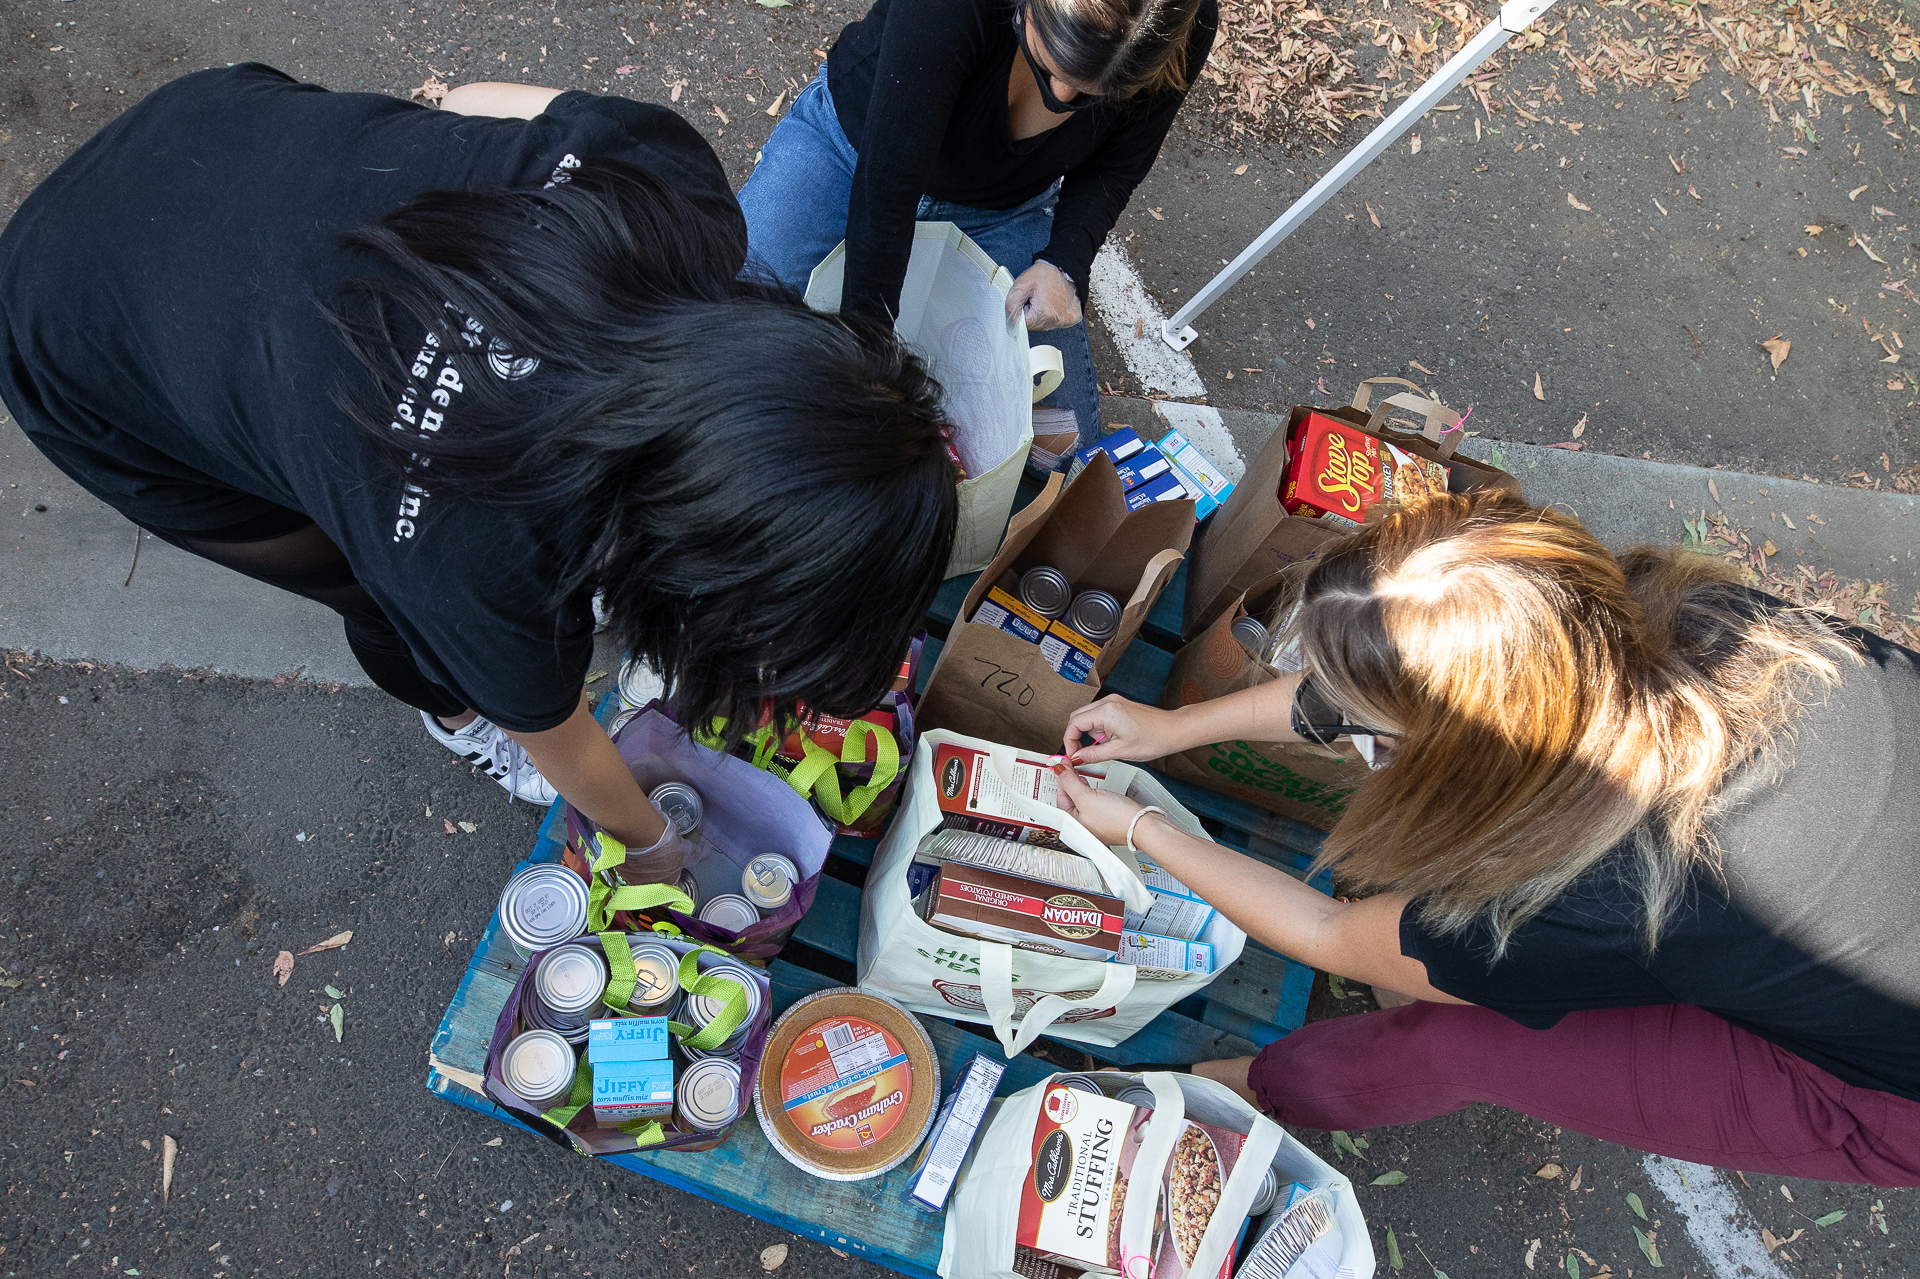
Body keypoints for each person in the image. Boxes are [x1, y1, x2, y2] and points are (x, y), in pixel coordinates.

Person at [0, 65, 958, 878]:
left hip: (207, 126)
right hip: (73, 326)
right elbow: (554, 723)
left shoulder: (674, 190)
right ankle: (458, 721)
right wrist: (653, 840)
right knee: (371, 586)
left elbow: (477, 99)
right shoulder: (478, 556)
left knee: (365, 501)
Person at [1055, 489, 1920, 1185]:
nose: (1346, 729)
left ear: (1462, 756)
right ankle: (1429, 973)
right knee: (1458, 972)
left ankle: (1268, 1089)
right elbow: (1397, 682)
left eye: (1375, 735)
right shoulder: (1642, 618)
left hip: (1880, 1085)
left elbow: (1327, 934)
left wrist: (1142, 826)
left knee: (1463, 1041)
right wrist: (1172, 729)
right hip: (1839, 903)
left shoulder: (1577, 889)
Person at [736, 0, 1218, 450]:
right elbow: (888, 187)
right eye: (1048, 66)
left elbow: (1115, 167)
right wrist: (869, 356)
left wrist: (1065, 263)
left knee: (1057, 442)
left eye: (1093, 97)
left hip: (1004, 208)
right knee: (718, 312)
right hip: (851, 150)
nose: (1059, 99)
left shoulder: (1174, 23)